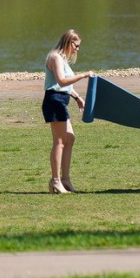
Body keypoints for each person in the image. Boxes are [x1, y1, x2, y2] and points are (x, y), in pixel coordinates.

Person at [42, 29, 95, 194]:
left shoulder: (62, 59)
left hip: (61, 100)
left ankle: (65, 179)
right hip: (54, 101)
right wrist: (83, 75)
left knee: (70, 138)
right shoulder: (55, 57)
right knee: (59, 142)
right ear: (68, 42)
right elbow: (61, 81)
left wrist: (77, 97)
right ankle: (55, 181)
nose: (77, 49)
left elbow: (64, 87)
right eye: (76, 46)